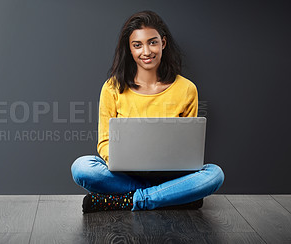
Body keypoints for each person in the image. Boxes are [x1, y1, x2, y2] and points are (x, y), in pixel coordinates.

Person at [71, 10, 225, 213]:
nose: (146, 51)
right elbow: (104, 142)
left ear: (163, 43)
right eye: (137, 45)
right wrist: (125, 161)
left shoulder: (187, 89)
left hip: (172, 175)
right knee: (82, 167)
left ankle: (128, 200)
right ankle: (175, 196)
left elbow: (189, 148)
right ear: (130, 49)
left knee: (215, 174)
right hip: (126, 175)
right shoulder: (112, 87)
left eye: (152, 42)